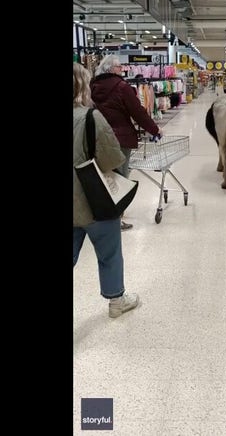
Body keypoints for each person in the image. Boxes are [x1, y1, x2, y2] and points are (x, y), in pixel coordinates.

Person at [72, 62, 140, 318]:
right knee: (109, 252)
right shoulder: (91, 117)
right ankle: (116, 301)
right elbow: (113, 159)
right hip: (94, 200)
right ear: (82, 86)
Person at [91, 55, 162, 231]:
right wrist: (155, 130)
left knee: (103, 176)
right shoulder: (122, 87)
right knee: (120, 179)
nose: (122, 70)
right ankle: (116, 220)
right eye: (119, 67)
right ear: (112, 69)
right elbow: (138, 112)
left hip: (97, 137)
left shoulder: (93, 86)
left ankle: (101, 214)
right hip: (120, 139)